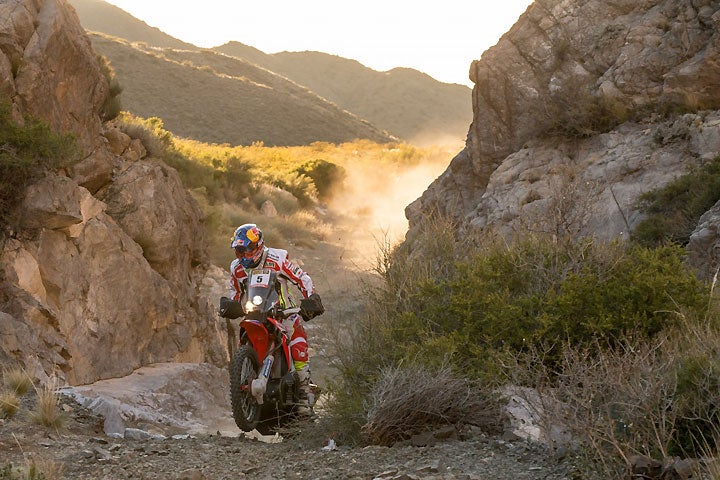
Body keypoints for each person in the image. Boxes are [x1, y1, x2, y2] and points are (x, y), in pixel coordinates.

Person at [225, 223, 324, 414]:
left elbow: (302, 278)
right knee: (243, 341)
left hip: (283, 313)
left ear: (258, 245)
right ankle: (244, 385)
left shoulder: (277, 259)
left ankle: (303, 394)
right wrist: (231, 304)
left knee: (298, 345)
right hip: (254, 313)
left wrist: (311, 298)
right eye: (239, 250)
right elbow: (235, 292)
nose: (244, 254)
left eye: (247, 249)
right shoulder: (236, 268)